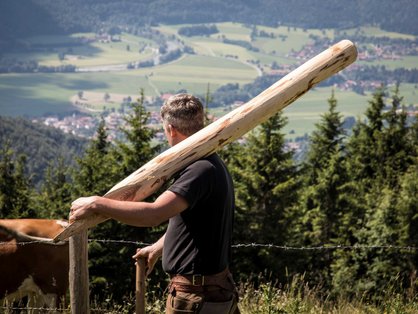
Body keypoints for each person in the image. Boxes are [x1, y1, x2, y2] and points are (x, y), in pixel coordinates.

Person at [70, 93, 240, 314]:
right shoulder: (210, 163)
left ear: (171, 129)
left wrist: (97, 204)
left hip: (197, 298)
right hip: (211, 291)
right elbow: (192, 223)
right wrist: (158, 248)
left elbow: (154, 214)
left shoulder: (199, 171)